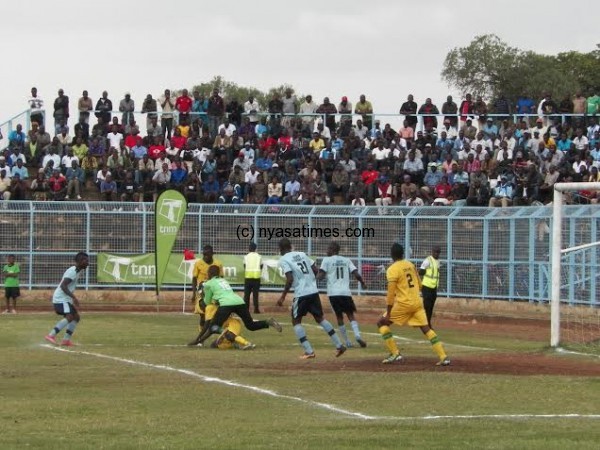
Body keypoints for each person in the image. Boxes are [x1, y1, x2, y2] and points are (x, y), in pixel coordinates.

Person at [376, 243, 450, 366]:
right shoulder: (410, 264)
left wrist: (388, 313)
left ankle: (395, 354)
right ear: (403, 254)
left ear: (391, 255)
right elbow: (420, 285)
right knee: (426, 328)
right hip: (417, 302)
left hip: (403, 304)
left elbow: (390, 294)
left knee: (381, 322)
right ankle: (444, 357)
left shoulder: (392, 269)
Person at [276, 238, 346, 359]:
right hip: (313, 291)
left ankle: (309, 351)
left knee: (296, 320)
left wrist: (282, 297)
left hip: (301, 294)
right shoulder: (302, 254)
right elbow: (316, 270)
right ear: (290, 246)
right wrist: (311, 281)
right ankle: (339, 345)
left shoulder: (283, 259)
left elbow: (290, 279)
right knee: (320, 318)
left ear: (281, 249)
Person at [189, 265, 282, 346]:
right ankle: (268, 322)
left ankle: (200, 341)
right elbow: (223, 293)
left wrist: (202, 302)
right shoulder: (223, 280)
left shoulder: (208, 284)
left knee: (213, 327)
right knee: (250, 325)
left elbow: (207, 302)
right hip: (239, 302)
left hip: (227, 304)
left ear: (209, 273)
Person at [317, 242, 367, 349]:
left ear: (333, 250)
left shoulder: (326, 260)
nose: (327, 250)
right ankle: (357, 335)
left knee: (339, 317)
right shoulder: (346, 260)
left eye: (329, 248)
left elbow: (320, 277)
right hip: (345, 293)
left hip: (334, 294)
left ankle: (347, 341)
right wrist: (362, 282)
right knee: (350, 314)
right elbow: (356, 274)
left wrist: (316, 276)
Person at [44, 252, 89, 347]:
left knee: (76, 317)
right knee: (69, 317)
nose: (88, 262)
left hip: (65, 299)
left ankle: (66, 340)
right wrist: (74, 298)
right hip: (61, 299)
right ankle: (51, 335)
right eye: (85, 260)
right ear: (80, 261)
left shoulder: (78, 270)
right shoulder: (73, 271)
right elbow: (63, 286)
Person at [190, 245, 223, 335]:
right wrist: (193, 293)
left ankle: (223, 334)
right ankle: (201, 336)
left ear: (212, 254)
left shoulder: (218, 264)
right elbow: (194, 278)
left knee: (215, 315)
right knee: (202, 315)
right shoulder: (198, 264)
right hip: (202, 293)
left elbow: (221, 279)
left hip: (214, 292)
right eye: (204, 255)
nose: (205, 257)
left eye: (207, 255)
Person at [419, 246, 441, 328]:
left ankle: (427, 323)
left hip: (434, 288)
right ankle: (425, 323)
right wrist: (424, 271)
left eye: (438, 252)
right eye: (435, 252)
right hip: (426, 287)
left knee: (431, 307)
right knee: (427, 306)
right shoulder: (427, 260)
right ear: (432, 252)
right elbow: (421, 271)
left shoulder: (438, 262)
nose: (437, 254)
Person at [243, 242, 263, 314]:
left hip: (248, 277)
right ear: (255, 249)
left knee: (247, 295)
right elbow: (261, 266)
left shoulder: (246, 256)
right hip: (256, 278)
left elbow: (245, 266)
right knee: (255, 294)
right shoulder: (259, 256)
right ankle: (256, 309)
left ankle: (246, 310)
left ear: (249, 248)